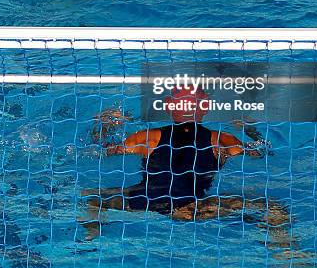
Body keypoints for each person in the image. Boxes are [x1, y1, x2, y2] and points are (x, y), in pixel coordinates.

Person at [80, 87, 296, 256]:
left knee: (91, 196)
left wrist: (104, 125)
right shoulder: (222, 140)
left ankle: (91, 238)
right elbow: (262, 153)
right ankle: (285, 251)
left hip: (145, 202)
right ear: (205, 107)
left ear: (168, 107)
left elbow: (101, 151)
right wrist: (249, 128)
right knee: (272, 207)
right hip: (196, 208)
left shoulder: (146, 137)